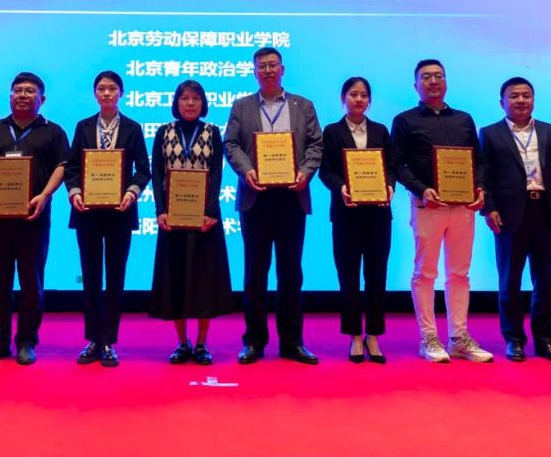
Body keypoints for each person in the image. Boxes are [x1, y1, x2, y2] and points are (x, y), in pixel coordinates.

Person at [223, 47, 323, 365]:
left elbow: (316, 144)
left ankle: (292, 342)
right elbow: (231, 143)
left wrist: (305, 172)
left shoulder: (303, 105)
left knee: (291, 272)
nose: (267, 70)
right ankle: (254, 342)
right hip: (256, 197)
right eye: (262, 66)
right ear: (255, 72)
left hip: (292, 196)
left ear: (282, 69)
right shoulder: (241, 106)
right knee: (255, 273)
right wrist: (246, 170)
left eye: (272, 65)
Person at [391, 59, 493, 363]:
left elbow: (478, 160)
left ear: (446, 82)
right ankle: (429, 338)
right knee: (425, 273)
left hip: (462, 207)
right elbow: (397, 164)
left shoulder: (463, 119)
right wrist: (421, 189)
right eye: (426, 77)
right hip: (427, 206)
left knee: (459, 274)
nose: (433, 81)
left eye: (438, 76)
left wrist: (480, 188)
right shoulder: (405, 120)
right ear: (416, 85)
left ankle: (459, 338)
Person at [0, 72, 69, 365]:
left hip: (33, 218)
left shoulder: (53, 131)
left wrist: (45, 195)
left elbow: (62, 167)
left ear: (42, 99)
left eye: (29, 91)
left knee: (31, 283)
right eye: (18, 90)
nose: (23, 95)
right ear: (10, 95)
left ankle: (27, 341)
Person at [480, 77, 551, 364]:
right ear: (502, 102)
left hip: (545, 210)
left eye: (526, 95)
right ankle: (514, 340)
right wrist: (489, 208)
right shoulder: (490, 133)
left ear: (533, 99)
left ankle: (545, 340)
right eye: (514, 96)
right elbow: (485, 175)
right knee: (509, 279)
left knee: (545, 280)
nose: (520, 100)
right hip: (509, 215)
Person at [66, 71, 151, 367]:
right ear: (95, 93)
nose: (106, 93)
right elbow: (72, 167)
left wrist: (132, 192)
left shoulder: (132, 128)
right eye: (101, 88)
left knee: (115, 278)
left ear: (121, 93)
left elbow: (143, 169)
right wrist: (74, 191)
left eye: (112, 88)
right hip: (87, 212)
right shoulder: (83, 126)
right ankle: (93, 340)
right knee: (90, 277)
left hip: (120, 213)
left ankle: (109, 341)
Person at [148, 80, 235, 365]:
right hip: (172, 219)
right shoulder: (164, 132)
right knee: (176, 279)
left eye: (195, 98)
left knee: (203, 282)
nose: (190, 103)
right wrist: (160, 211)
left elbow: (217, 173)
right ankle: (182, 343)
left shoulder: (212, 132)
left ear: (203, 103)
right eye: (184, 98)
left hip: (205, 220)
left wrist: (211, 211)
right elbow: (157, 172)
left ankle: (201, 344)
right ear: (176, 102)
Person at [318, 77, 394, 364]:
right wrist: (341, 187)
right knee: (348, 276)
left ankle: (373, 335)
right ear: (343, 99)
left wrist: (389, 186)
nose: (359, 99)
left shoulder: (381, 130)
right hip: (345, 214)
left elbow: (391, 166)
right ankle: (354, 336)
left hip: (378, 215)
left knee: (377, 275)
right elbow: (326, 170)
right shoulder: (332, 131)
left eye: (363, 95)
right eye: (353, 94)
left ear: (369, 100)